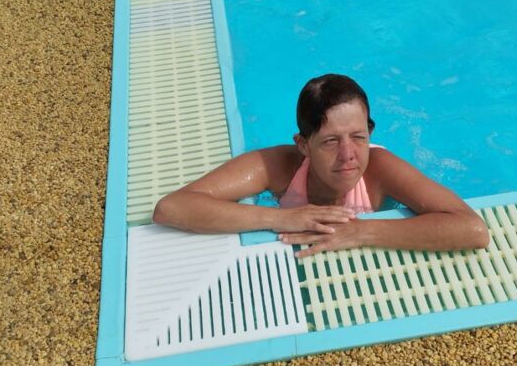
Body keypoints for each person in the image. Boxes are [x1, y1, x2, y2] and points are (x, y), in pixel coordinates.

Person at [153, 73, 490, 257]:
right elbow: (172, 208)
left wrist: (362, 231)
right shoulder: (278, 166)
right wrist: (282, 218)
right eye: (330, 141)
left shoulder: (380, 169)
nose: (348, 155)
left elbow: (471, 229)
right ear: (304, 145)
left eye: (358, 137)